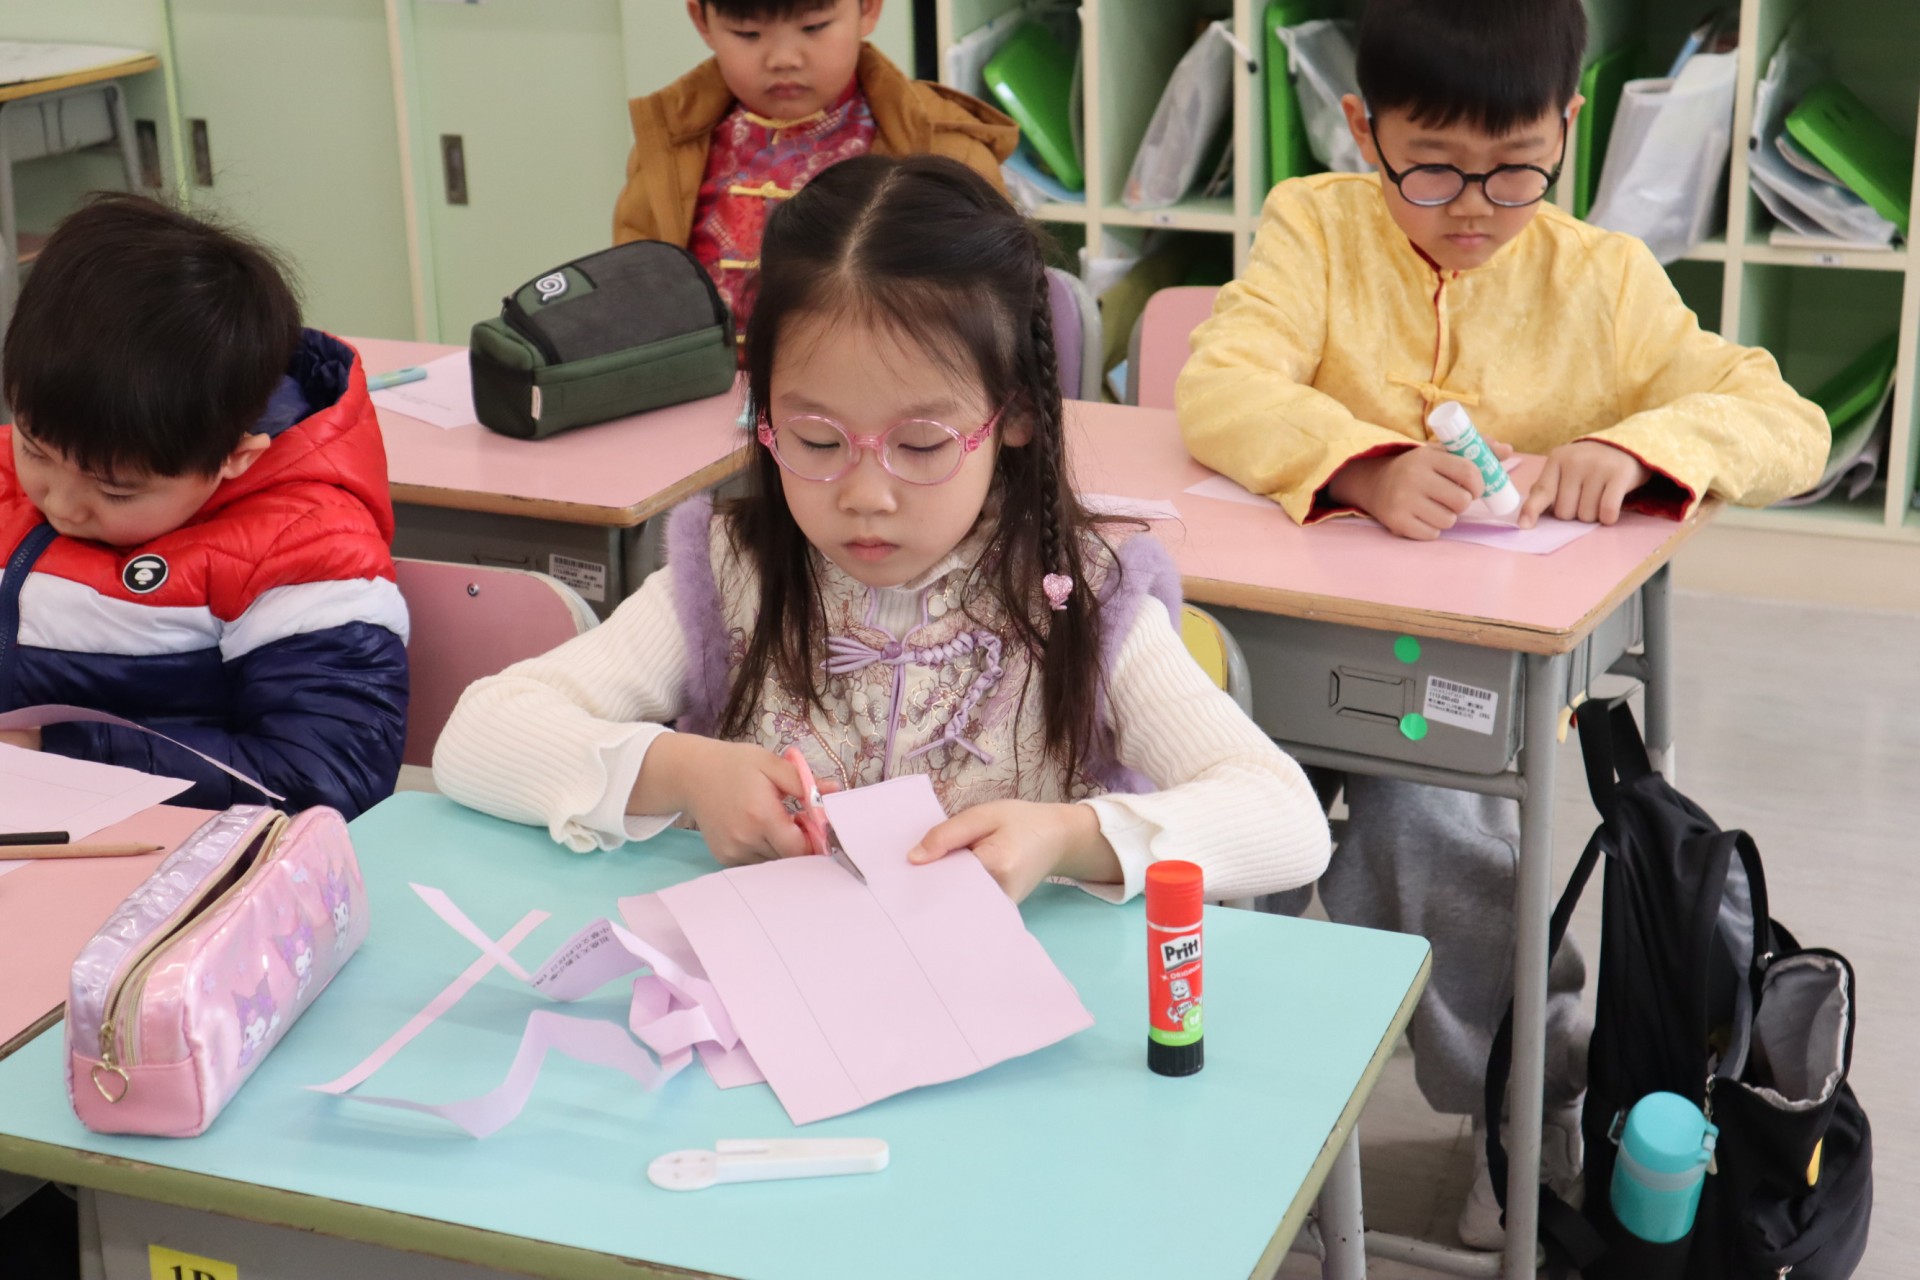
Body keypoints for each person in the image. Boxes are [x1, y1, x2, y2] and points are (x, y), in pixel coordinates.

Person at [1174, 0, 1826, 1248]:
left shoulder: (1602, 280)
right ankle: (1222, 1096)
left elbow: (1783, 420)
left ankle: (1524, 1104)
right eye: (1429, 168)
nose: (1472, 207)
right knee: (1206, 825)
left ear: (1568, 128)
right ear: (1362, 127)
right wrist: (1361, 461)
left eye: (1517, 168)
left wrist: (1632, 446)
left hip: (1462, 679)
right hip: (1290, 654)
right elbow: (1220, 383)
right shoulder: (1315, 227)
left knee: (1432, 840)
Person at [439, 155, 1329, 907]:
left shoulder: (1085, 596)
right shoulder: (730, 575)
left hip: (1014, 1018)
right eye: (816, 441)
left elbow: (1286, 819)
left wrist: (1070, 837)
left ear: (1016, 414)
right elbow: (478, 737)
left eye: (921, 444)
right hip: (784, 1004)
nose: (865, 495)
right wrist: (684, 773)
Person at [0, 195, 408, 818]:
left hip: (175, 852)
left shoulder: (302, 547)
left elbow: (326, 779)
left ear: (234, 457)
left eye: (115, 490)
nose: (62, 503)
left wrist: (58, 755)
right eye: (34, 449)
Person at [612, 0, 1016, 351]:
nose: (783, 59)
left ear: (868, 8)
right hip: (702, 394)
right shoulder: (670, 145)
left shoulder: (947, 147)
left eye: (814, 27)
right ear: (702, 21)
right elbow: (634, 287)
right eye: (748, 34)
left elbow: (988, 311)